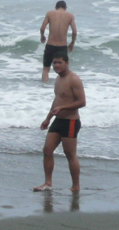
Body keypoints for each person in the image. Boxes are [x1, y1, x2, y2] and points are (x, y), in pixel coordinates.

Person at [33, 52, 86, 192]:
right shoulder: (58, 78)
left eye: (59, 62)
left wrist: (63, 108)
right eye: (54, 63)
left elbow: (82, 102)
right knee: (47, 150)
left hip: (71, 122)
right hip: (58, 121)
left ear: (66, 63)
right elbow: (57, 101)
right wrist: (48, 118)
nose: (56, 65)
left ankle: (75, 186)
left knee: (70, 155)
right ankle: (48, 183)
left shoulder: (74, 79)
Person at [40, 1, 77, 83]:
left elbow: (42, 28)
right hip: (62, 46)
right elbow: (74, 32)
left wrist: (42, 36)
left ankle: (43, 86)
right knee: (64, 70)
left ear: (56, 7)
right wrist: (72, 43)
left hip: (50, 45)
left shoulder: (50, 13)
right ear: (65, 8)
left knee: (46, 69)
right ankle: (64, 87)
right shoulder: (70, 15)